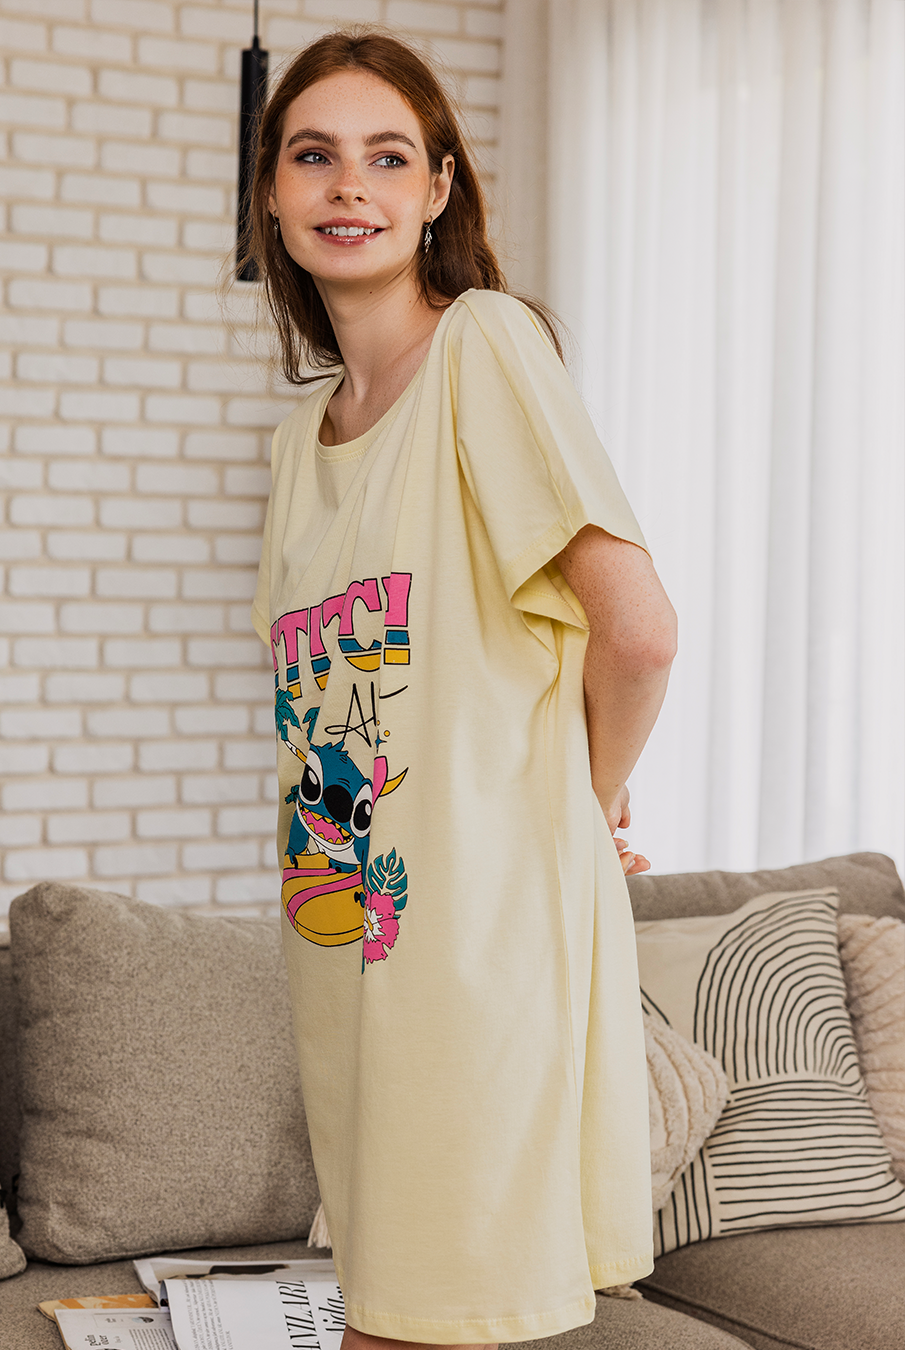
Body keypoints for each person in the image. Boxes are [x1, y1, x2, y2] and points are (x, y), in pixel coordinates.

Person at [246, 27, 678, 1350]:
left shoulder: (483, 346)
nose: (348, 185)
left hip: (477, 966)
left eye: (388, 156)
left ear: (439, 189)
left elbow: (639, 632)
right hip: (346, 953)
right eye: (313, 155)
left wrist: (585, 802)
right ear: (271, 191)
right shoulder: (298, 443)